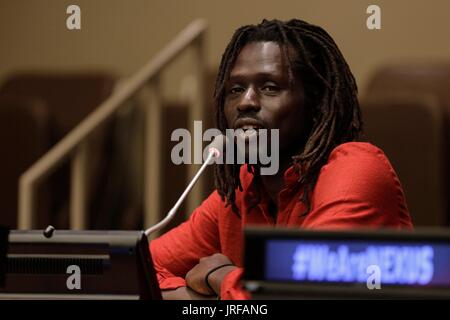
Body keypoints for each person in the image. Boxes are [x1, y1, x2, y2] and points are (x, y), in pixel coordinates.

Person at [150, 18, 413, 300]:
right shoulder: (241, 188)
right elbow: (137, 270)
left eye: (270, 87)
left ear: (316, 105)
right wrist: (213, 298)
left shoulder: (357, 170)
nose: (245, 102)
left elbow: (303, 292)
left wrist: (220, 276)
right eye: (235, 89)